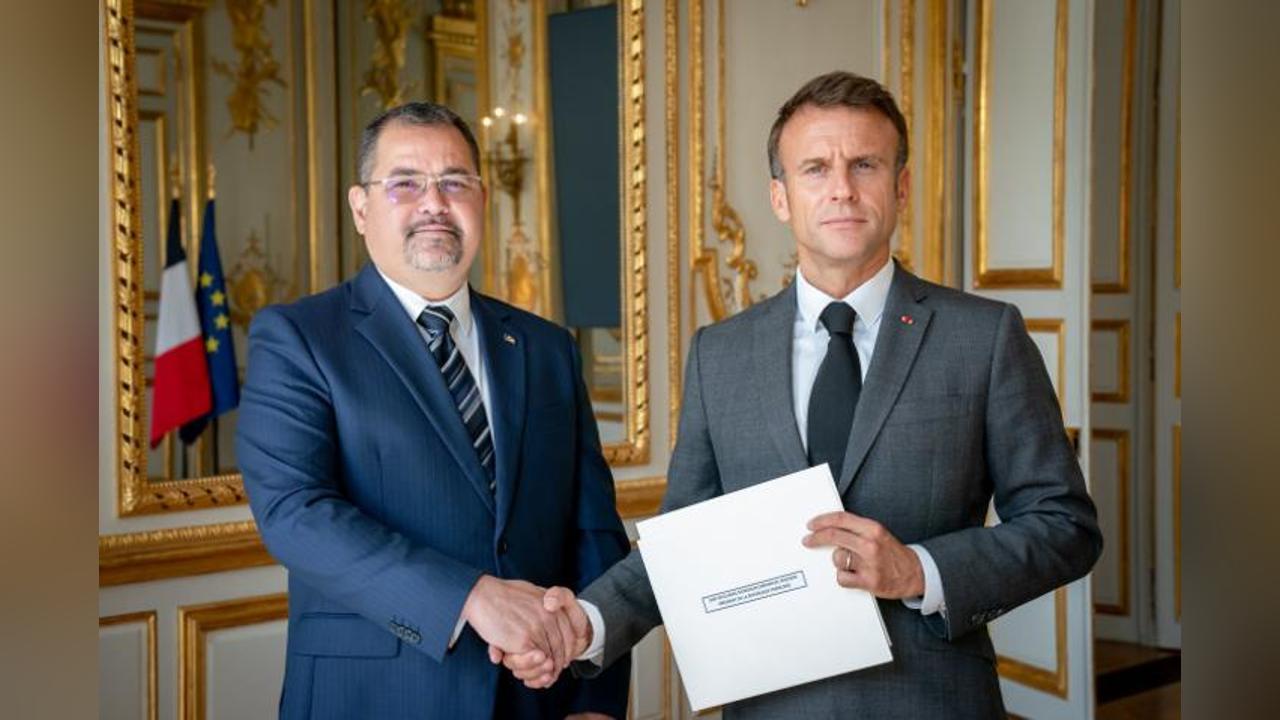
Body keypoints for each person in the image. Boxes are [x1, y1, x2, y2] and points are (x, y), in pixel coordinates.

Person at [500, 71, 1103, 718]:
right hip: (769, 705)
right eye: (815, 168)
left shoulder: (984, 336)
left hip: (932, 701)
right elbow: (682, 548)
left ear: (900, 187)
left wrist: (918, 570)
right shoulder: (719, 353)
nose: (842, 188)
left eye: (864, 164)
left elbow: (1065, 526)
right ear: (780, 197)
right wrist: (587, 621)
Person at [235, 101, 629, 720]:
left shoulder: (546, 347)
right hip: (375, 698)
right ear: (361, 208)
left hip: (539, 699)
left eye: (454, 182)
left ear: (482, 200)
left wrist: (595, 699)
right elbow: (294, 513)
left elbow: (593, 531)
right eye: (405, 184)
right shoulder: (299, 338)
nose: (434, 204)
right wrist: (470, 596)